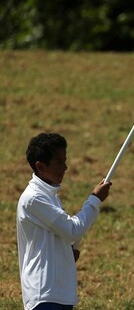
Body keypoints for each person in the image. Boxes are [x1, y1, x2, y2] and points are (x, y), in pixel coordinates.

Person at [16, 132, 112, 310]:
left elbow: (58, 236)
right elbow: (72, 230)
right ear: (40, 166)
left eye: (65, 160)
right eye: (59, 162)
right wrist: (94, 200)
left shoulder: (49, 195)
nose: (65, 167)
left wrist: (66, 253)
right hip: (44, 294)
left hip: (59, 292)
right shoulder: (34, 198)